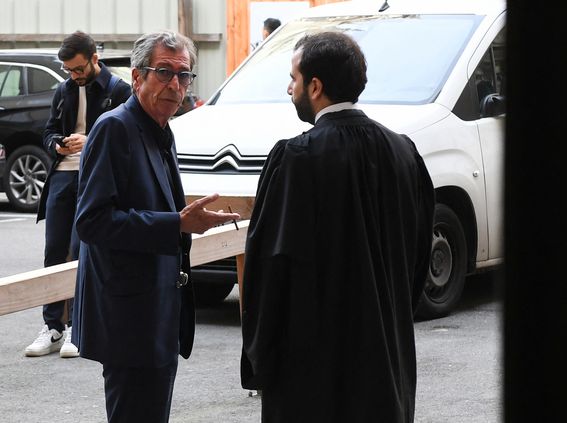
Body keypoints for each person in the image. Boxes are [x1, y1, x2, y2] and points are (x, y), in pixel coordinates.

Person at [240, 32, 435, 422]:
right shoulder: (403, 152)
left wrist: (261, 355)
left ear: (315, 86)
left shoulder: (296, 157)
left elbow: (270, 266)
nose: (290, 87)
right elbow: (418, 255)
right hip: (385, 355)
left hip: (313, 365)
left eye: (294, 78)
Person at [71, 31, 239, 422]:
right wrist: (176, 223)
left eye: (184, 76)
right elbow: (91, 221)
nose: (175, 85)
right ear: (136, 77)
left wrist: (182, 223)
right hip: (129, 318)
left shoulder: (161, 129)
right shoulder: (115, 128)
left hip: (158, 311)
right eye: (163, 72)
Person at [26, 30, 131, 359]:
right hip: (62, 175)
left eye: (78, 69)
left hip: (96, 178)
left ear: (94, 59)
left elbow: (126, 136)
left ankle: (78, 327)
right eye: (69, 70)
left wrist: (91, 141)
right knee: (54, 250)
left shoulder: (119, 91)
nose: (74, 75)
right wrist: (57, 143)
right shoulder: (64, 90)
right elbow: (48, 131)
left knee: (82, 250)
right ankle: (53, 326)